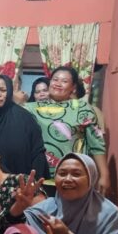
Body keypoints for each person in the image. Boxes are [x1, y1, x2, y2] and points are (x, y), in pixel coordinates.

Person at [25, 66, 110, 195]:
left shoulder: (82, 108)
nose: (58, 84)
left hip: (75, 176)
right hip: (41, 177)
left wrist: (104, 174)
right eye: (55, 79)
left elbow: (96, 143)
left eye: (64, 81)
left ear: (73, 87)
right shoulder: (32, 108)